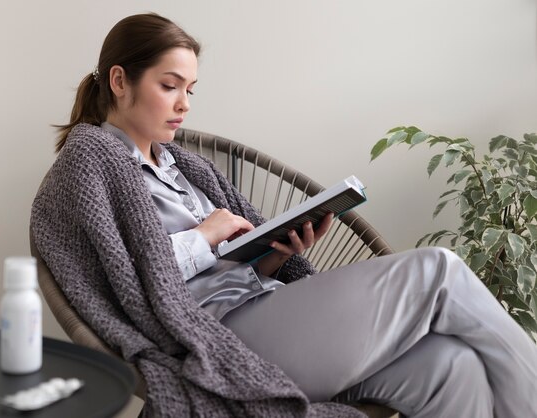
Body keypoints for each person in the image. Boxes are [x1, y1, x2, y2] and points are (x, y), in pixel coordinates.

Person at [31, 13, 537, 418]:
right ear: (120, 80)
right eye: (170, 85)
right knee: (438, 269)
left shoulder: (184, 166)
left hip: (265, 310)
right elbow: (134, 284)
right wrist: (205, 235)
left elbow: (210, 272)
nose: (184, 104)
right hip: (220, 340)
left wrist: (269, 257)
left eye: (191, 89)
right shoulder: (88, 161)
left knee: (453, 367)